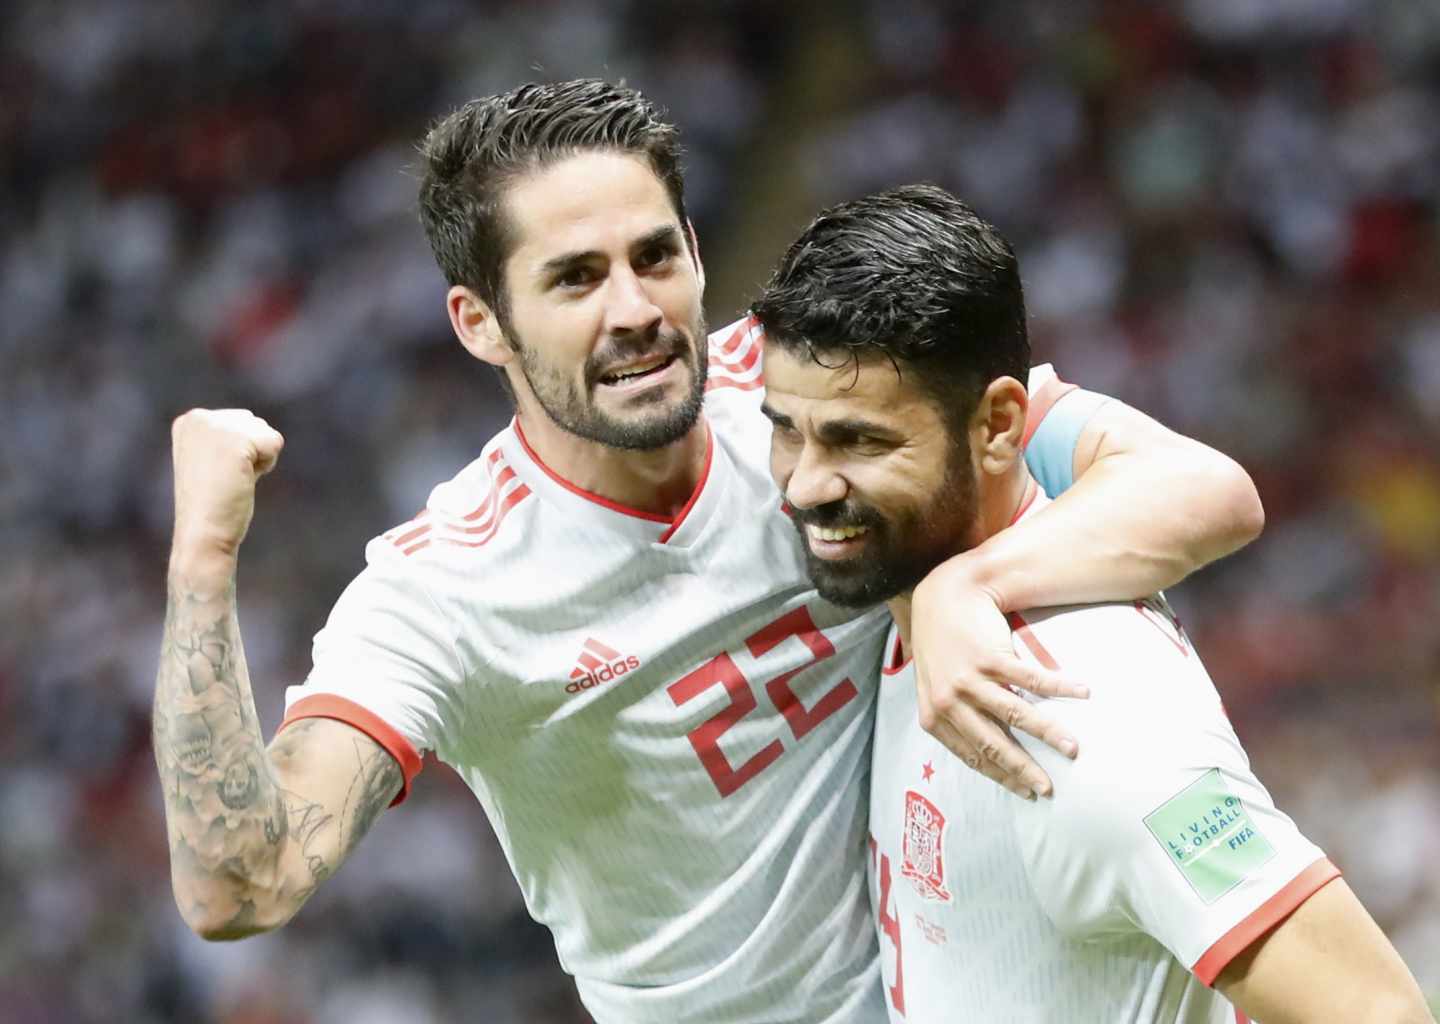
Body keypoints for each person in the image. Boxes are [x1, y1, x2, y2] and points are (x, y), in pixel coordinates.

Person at [153, 81, 1263, 1022]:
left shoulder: (813, 396)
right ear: (479, 321)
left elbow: (1204, 491)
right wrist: (201, 562)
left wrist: (975, 581)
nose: (635, 309)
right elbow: (242, 886)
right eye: (576, 278)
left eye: (653, 256)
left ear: (694, 249)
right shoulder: (441, 591)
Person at [752, 183, 1433, 1023]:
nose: (808, 483)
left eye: (861, 441)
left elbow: (1376, 1012)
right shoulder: (923, 594)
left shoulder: (1087, 722)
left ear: (1003, 425)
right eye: (788, 429)